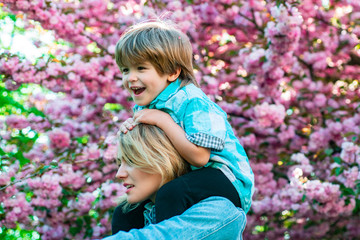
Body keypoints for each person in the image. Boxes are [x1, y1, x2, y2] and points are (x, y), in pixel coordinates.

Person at [116, 19, 254, 224]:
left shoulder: (192, 101)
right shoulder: (146, 105)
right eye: (126, 70)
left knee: (172, 193)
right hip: (186, 177)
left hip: (225, 179)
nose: (130, 78)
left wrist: (164, 121)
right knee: (125, 212)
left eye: (141, 68)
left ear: (172, 72)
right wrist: (128, 128)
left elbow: (200, 158)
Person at [103, 123, 246, 239]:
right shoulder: (127, 218)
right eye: (119, 163)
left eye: (131, 161)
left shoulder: (219, 212)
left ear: (163, 159)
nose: (119, 174)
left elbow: (166, 236)